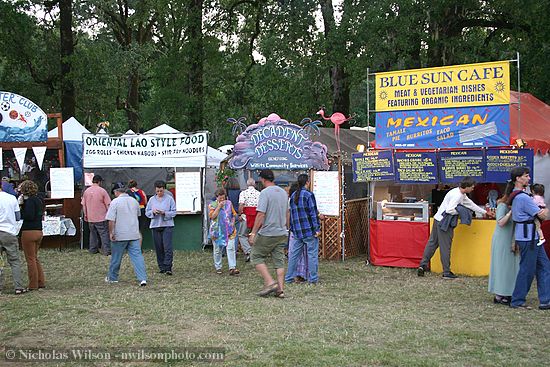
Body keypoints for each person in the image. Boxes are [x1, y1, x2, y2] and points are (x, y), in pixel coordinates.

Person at [418, 177, 493, 279]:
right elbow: (450, 210)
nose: (473, 189)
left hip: (437, 218)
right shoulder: (458, 196)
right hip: (445, 221)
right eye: (472, 187)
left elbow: (470, 204)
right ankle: (446, 272)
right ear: (466, 187)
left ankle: (422, 265)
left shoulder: (458, 192)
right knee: (445, 247)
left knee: (432, 243)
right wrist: (461, 211)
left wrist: (485, 212)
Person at [508, 167, 550, 309]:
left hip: (531, 237)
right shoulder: (523, 198)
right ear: (518, 178)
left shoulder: (517, 195)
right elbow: (542, 215)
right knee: (527, 269)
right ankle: (517, 300)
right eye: (526, 176)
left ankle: (545, 300)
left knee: (544, 266)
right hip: (528, 238)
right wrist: (545, 210)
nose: (529, 178)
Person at [248, 169, 289, 298]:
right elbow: (287, 213)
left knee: (256, 256)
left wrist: (253, 233)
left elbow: (261, 214)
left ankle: (270, 282)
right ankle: (280, 290)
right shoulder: (283, 192)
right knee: (279, 260)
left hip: (268, 232)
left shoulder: (265, 193)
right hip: (282, 232)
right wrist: (286, 227)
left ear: (263, 179)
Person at [105, 186, 148, 286]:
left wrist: (111, 233)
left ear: (116, 192)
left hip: (120, 234)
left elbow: (111, 220)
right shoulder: (134, 201)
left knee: (116, 257)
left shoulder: (114, 202)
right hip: (134, 233)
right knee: (137, 256)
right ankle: (142, 278)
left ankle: (112, 277)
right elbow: (138, 215)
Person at [286, 174, 321, 284]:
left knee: (294, 256)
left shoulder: (293, 196)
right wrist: (317, 229)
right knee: (312, 255)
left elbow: (291, 214)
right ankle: (313, 278)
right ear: (307, 182)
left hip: (297, 232)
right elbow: (313, 213)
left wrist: (291, 228)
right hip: (309, 231)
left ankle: (289, 277)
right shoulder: (308, 195)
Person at [488, 184, 519, 305]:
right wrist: (511, 212)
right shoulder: (502, 205)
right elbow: (500, 222)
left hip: (511, 237)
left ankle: (508, 292)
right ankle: (499, 293)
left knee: (511, 266)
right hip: (502, 239)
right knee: (501, 266)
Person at [0, 183, 27, 294]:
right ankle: (18, 287)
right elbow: (17, 217)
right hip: (9, 231)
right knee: (14, 261)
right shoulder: (11, 198)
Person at [19, 180, 46, 291]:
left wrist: (21, 207)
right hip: (38, 230)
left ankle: (33, 284)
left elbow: (28, 216)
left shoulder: (29, 202)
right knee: (35, 258)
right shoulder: (39, 200)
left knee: (30, 259)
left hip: (28, 231)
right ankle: (40, 281)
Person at [145, 180, 176, 275]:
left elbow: (174, 212)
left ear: (164, 189)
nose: (159, 193)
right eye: (157, 191)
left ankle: (168, 267)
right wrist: (153, 212)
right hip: (155, 225)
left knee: (167, 247)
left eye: (161, 191)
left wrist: (164, 213)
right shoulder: (151, 200)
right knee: (158, 247)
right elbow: (147, 212)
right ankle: (161, 266)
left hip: (167, 225)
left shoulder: (169, 199)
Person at [209, 188, 240, 275]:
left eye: (224, 198)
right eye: (220, 198)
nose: (222, 200)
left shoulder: (229, 203)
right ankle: (218, 267)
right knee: (217, 250)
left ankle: (232, 267)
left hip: (229, 230)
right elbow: (212, 216)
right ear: (216, 197)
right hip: (217, 231)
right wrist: (218, 207)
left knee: (231, 248)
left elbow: (234, 214)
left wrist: (233, 222)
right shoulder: (212, 204)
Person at [81, 174, 111, 255]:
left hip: (90, 217)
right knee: (104, 234)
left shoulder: (86, 191)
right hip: (101, 217)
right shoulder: (102, 191)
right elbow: (108, 204)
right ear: (100, 182)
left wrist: (86, 215)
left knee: (93, 234)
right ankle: (106, 250)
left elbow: (83, 205)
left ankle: (93, 249)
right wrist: (110, 215)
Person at [238, 178, 261, 262]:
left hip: (246, 216)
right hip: (257, 216)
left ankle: (248, 251)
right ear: (254, 185)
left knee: (242, 235)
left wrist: (240, 214)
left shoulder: (243, 193)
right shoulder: (259, 193)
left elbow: (241, 205)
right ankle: (256, 253)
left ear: (247, 185)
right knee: (255, 234)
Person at [128, 179, 149, 246]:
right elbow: (145, 202)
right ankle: (139, 247)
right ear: (136, 185)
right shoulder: (141, 191)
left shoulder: (128, 193)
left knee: (132, 229)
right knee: (139, 230)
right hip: (142, 210)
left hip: (132, 211)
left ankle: (132, 247)